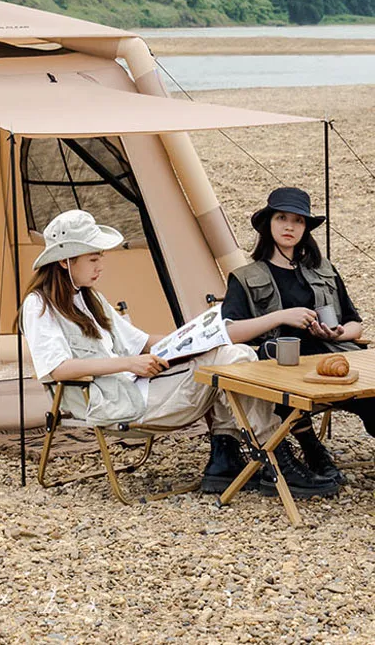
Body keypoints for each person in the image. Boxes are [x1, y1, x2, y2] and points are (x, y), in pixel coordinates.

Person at [21, 209, 336, 498]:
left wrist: (193, 338)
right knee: (232, 360)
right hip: (115, 402)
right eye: (93, 259)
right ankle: (272, 457)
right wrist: (130, 363)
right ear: (65, 261)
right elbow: (58, 368)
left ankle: (230, 460)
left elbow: (143, 342)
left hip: (137, 389)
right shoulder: (39, 306)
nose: (100, 266)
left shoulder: (91, 299)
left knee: (230, 352)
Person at [221, 186, 373, 485]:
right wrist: (280, 316)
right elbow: (228, 332)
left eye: (298, 221)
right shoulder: (246, 277)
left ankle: (315, 451)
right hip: (281, 365)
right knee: (284, 394)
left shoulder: (323, 269)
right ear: (269, 224)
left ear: (305, 228)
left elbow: (356, 323)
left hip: (329, 356)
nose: (290, 226)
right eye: (282, 218)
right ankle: (312, 448)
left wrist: (339, 331)